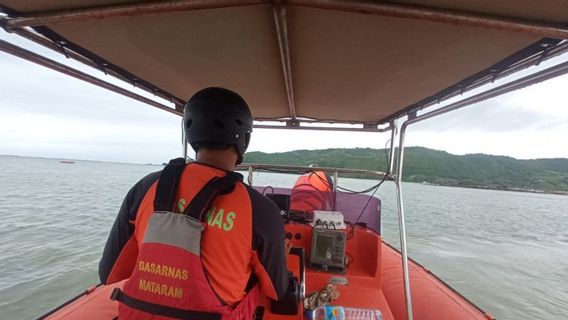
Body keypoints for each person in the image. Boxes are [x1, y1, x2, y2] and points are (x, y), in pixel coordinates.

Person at [99, 87, 288, 319]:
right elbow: (278, 290)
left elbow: (108, 274)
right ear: (244, 139)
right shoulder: (260, 210)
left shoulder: (145, 188)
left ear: (191, 135)